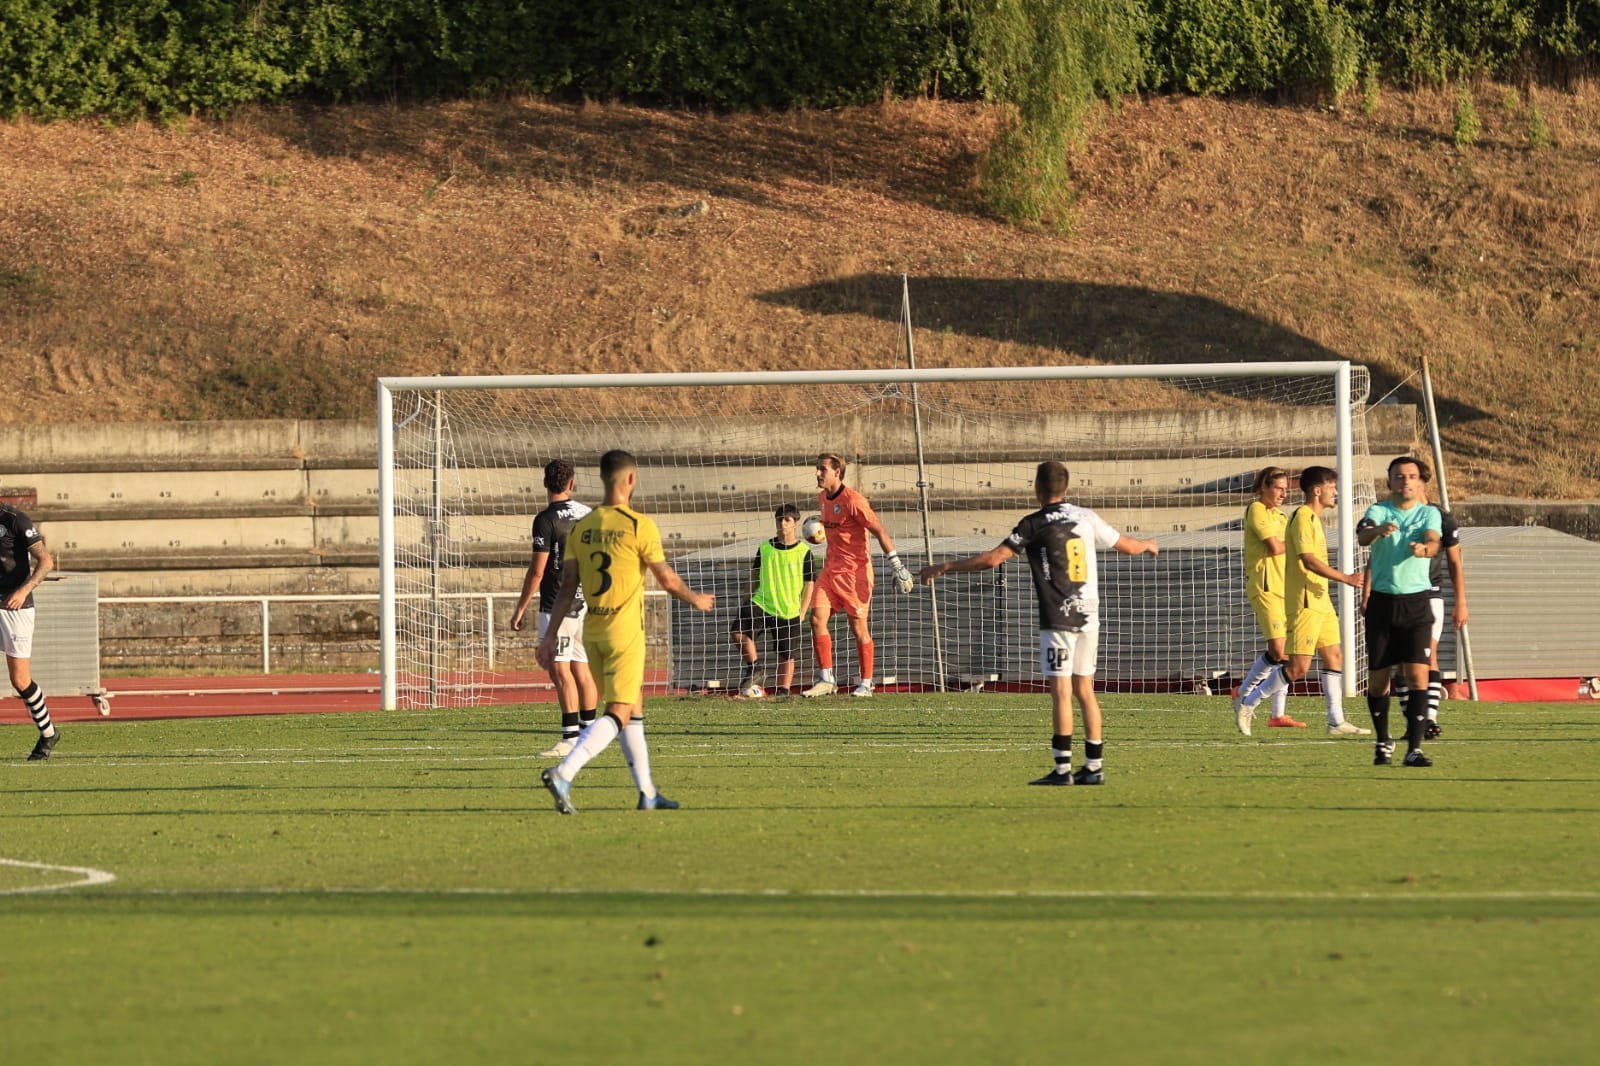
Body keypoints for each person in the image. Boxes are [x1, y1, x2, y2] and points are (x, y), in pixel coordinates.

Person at [919, 460, 1158, 786]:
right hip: (1089, 615)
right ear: (1067, 487)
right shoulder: (1085, 516)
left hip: (1059, 617)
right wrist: (1148, 545)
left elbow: (992, 560)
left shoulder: (1034, 523)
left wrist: (945, 566)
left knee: (1060, 692)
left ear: (1037, 488)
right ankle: (1094, 767)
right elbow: (1127, 546)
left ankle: (1062, 770)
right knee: (1085, 691)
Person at [538, 450, 714, 814]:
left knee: (633, 708)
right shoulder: (638, 525)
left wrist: (549, 636)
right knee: (618, 711)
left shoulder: (582, 527)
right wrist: (695, 598)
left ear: (603, 480)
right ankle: (564, 772)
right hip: (624, 634)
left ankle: (647, 792)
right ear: (631, 479)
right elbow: (666, 578)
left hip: (593, 632)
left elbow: (567, 586)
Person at [1233, 467, 1367, 738]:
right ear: (1317, 490)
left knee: (1335, 656)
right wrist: (1346, 577)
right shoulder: (1301, 517)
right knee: (1297, 666)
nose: (1336, 492)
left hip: (1320, 597)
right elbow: (1308, 559)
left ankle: (1336, 720)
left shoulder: (1308, 519)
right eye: (1331, 486)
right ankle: (1248, 701)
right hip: (1302, 598)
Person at [801, 452, 914, 699]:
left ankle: (866, 682)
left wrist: (897, 565)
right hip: (831, 571)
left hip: (855, 574)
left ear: (837, 472)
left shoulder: (854, 500)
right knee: (817, 619)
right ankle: (826, 679)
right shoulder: (822, 498)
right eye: (817, 469)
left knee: (858, 628)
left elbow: (878, 530)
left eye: (822, 469)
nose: (818, 473)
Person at [1358, 456, 1443, 767]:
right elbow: (1363, 536)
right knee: (1379, 681)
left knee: (1419, 673)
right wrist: (1379, 530)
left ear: (1420, 481)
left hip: (1416, 604)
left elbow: (1434, 541)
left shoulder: (1428, 513)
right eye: (1399, 476)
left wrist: (1424, 549)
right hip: (1382, 604)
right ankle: (1383, 741)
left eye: (1411, 476)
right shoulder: (1378, 511)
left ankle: (1414, 748)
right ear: (1389, 481)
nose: (1405, 481)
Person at [510, 459, 597, 758]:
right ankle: (590, 732)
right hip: (588, 603)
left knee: (560, 670)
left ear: (546, 484)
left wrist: (521, 608)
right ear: (572, 484)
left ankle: (570, 738)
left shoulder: (545, 519)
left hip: (557, 604)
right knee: (582, 669)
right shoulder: (589, 514)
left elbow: (538, 571)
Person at [1234, 466, 1309, 731]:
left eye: (1286, 490)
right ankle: (1246, 694)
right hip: (1264, 588)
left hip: (1284, 590)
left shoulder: (1282, 516)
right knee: (1280, 651)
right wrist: (1303, 547)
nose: (1282, 494)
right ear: (1264, 487)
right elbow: (1276, 547)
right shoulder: (1256, 510)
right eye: (1278, 488)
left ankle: (1275, 713)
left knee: (1284, 653)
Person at [731, 503, 816, 697]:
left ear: (795, 524)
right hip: (762, 602)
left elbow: (810, 583)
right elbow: (754, 574)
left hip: (789, 609)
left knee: (786, 654)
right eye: (779, 519)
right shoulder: (765, 547)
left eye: (787, 520)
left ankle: (783, 691)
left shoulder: (804, 552)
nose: (782, 523)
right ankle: (755, 667)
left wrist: (803, 611)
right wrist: (747, 598)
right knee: (737, 632)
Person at [1, 500, 58, 760]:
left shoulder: (15, 519)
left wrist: (23, 591)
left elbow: (46, 561)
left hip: (15, 608)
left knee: (20, 680)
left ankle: (48, 734)